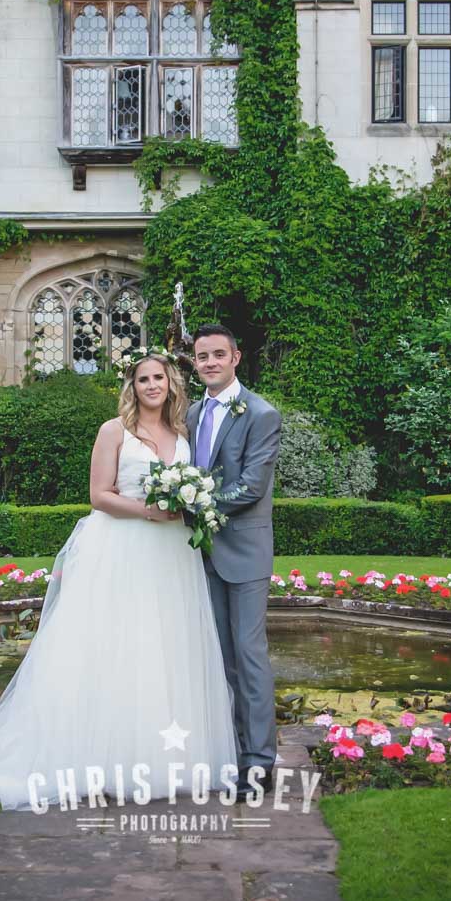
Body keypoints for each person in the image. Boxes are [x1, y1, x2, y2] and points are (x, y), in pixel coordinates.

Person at [0, 350, 238, 810]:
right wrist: (149, 511)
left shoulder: (183, 432)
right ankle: (101, 752)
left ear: (172, 384)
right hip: (122, 548)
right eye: (143, 379)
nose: (152, 385)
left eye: (159, 378)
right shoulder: (113, 431)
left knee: (168, 644)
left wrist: (182, 507)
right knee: (114, 644)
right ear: (132, 387)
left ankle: (163, 754)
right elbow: (99, 496)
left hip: (172, 554)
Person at [186, 323, 284, 792]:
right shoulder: (189, 413)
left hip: (243, 551)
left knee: (248, 656)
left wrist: (193, 505)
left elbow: (251, 486)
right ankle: (232, 748)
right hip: (199, 554)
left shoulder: (261, 413)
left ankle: (260, 762)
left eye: (218, 355)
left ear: (236, 357)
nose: (210, 363)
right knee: (220, 658)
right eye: (202, 356)